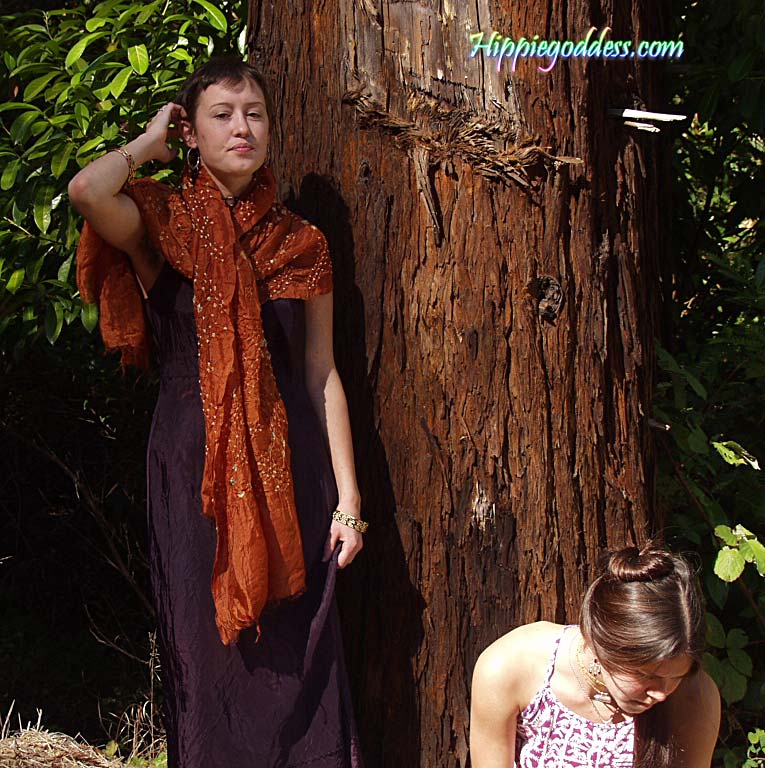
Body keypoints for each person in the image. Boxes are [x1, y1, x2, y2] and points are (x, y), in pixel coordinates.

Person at [69, 57, 365, 768]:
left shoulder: (303, 244)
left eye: (254, 114)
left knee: (303, 658)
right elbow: (86, 190)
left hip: (292, 479)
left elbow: (321, 375)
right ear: (191, 133)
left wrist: (350, 501)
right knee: (206, 661)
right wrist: (148, 145)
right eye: (222, 115)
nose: (242, 128)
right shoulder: (160, 223)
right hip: (191, 476)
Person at [469, 544, 720, 768]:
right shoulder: (510, 666)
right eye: (647, 675)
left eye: (676, 676)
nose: (662, 693)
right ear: (602, 643)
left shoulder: (694, 697)